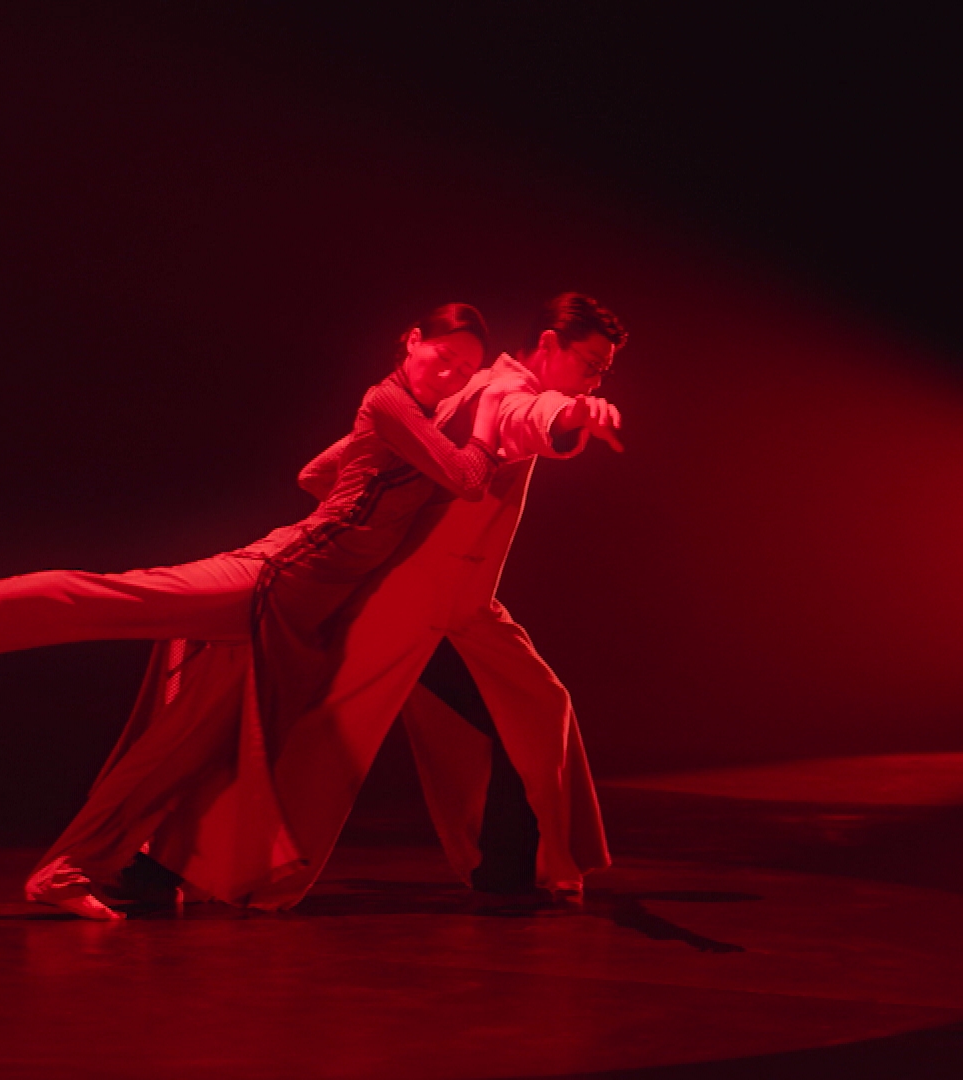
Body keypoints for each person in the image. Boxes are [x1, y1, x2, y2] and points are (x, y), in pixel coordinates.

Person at [0, 303, 506, 917]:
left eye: (467, 369)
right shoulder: (388, 401)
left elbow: (312, 473)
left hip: (296, 612)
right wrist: (484, 417)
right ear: (412, 342)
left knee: (180, 754)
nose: (451, 373)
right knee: (100, 596)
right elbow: (470, 477)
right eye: (443, 356)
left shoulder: (412, 424)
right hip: (269, 578)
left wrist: (369, 485)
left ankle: (65, 871)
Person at [111, 293, 626, 913]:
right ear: (547, 344)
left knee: (535, 706)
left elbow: (319, 470)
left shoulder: (461, 391)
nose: (597, 380)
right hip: (410, 603)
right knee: (316, 737)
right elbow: (532, 416)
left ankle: (510, 870)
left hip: (457, 607)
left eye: (603, 372)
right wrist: (574, 413)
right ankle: (162, 864)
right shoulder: (502, 392)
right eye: (591, 364)